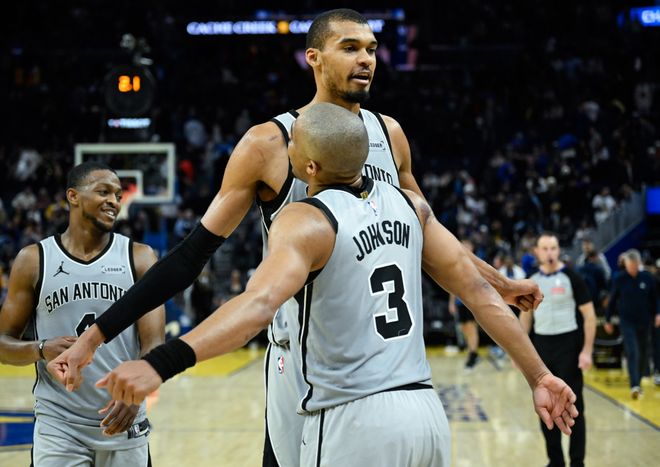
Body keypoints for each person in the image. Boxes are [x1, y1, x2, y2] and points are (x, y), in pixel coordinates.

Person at [47, 9, 542, 467]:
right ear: (314, 58)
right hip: (299, 358)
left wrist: (498, 284)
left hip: (384, 367)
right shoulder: (269, 142)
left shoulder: (389, 134)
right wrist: (95, 335)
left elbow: (429, 236)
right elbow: (190, 257)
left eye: (371, 49)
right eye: (350, 48)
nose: (366, 59)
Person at [0, 161, 165, 466]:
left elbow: (154, 343)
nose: (114, 201)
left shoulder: (140, 258)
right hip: (58, 425)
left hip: (124, 417)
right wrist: (41, 349)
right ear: (73, 196)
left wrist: (137, 393)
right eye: (104, 192)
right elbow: (2, 343)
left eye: (118, 195)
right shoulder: (34, 260)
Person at [519, 233, 596, 467]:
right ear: (537, 252)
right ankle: (555, 460)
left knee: (575, 406)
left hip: (569, 347)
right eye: (545, 248)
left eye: (553, 248)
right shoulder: (531, 281)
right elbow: (525, 320)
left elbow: (590, 316)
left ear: (558, 250)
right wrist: (520, 354)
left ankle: (577, 462)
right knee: (546, 406)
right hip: (542, 348)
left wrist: (587, 351)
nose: (549, 252)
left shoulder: (573, 277)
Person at [604, 249, 659, 398]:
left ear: (639, 264)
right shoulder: (620, 279)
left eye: (635, 266)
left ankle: (638, 381)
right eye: (630, 266)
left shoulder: (648, 278)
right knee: (632, 351)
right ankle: (634, 385)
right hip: (627, 322)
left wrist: (657, 314)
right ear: (626, 264)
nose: (632, 269)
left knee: (643, 353)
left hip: (645, 322)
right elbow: (612, 300)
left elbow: (655, 299)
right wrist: (607, 319)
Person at [448, 239, 480, 370]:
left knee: (471, 328)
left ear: (472, 248)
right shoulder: (456, 262)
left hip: (471, 300)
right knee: (464, 328)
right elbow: (452, 285)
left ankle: (473, 354)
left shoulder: (475, 263)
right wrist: (451, 302)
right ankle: (471, 351)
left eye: (467, 245)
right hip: (460, 301)